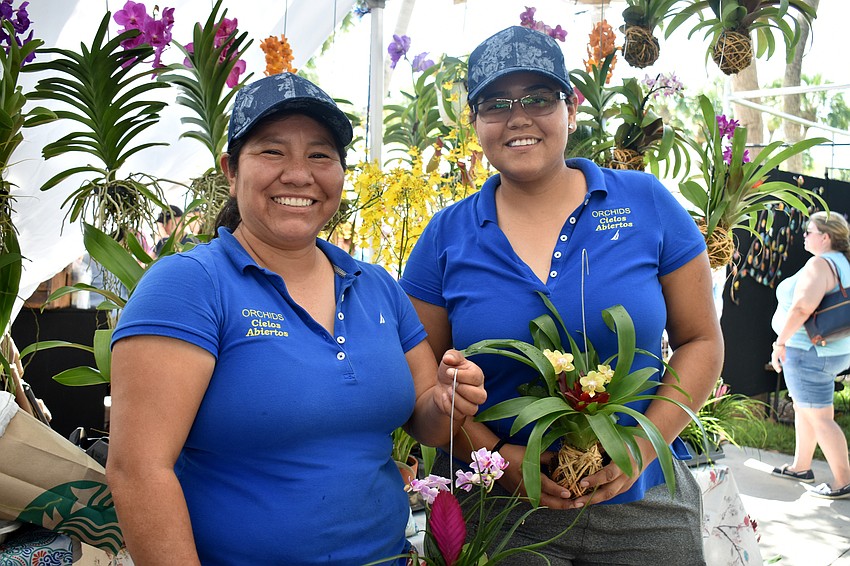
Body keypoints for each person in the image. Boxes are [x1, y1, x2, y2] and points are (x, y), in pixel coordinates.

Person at [106, 72, 487, 565]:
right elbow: (138, 470)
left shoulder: (374, 285)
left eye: (320, 154)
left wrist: (449, 397)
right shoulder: (191, 285)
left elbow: (426, 419)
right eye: (272, 151)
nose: (298, 174)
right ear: (230, 169)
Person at [399, 26, 724, 564]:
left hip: (644, 505)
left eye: (538, 98)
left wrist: (641, 449)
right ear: (475, 123)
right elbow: (422, 383)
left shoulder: (645, 202)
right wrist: (500, 460)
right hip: (494, 513)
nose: (518, 117)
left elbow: (701, 341)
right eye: (496, 103)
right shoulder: (447, 235)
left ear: (570, 109)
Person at [770, 210, 850, 499]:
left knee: (820, 417)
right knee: (806, 409)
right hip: (834, 350)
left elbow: (803, 307)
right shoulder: (842, 263)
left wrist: (780, 343)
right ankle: (801, 466)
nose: (805, 235)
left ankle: (843, 482)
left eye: (810, 231)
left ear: (825, 237)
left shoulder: (820, 264)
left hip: (808, 351)